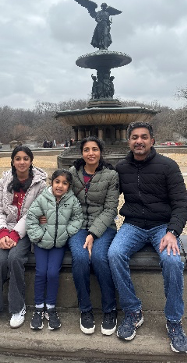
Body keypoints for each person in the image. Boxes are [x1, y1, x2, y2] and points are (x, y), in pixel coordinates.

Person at [108, 122, 187, 353]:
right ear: (129, 141)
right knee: (114, 254)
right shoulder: (121, 168)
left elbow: (182, 203)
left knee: (173, 261)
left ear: (152, 140)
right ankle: (133, 310)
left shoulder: (168, 166)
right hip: (133, 225)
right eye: (134, 137)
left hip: (161, 226)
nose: (139, 141)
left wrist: (173, 232)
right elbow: (105, 197)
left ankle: (174, 321)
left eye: (144, 137)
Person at [0, 145, 47, 329]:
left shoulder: (40, 184)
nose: (22, 162)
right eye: (18, 158)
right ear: (13, 161)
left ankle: (18, 307)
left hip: (26, 230)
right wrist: (1, 233)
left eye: (26, 158)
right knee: (0, 261)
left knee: (16, 258)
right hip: (4, 229)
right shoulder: (5, 180)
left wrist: (16, 233)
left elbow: (35, 212)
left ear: (31, 161)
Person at [68, 136, 119, 336]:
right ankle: (86, 309)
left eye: (95, 149)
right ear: (82, 153)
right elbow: (60, 197)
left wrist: (92, 233)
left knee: (99, 257)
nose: (91, 153)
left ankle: (110, 309)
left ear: (100, 152)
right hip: (78, 226)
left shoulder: (111, 175)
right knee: (80, 258)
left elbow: (110, 209)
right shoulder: (73, 174)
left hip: (104, 227)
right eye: (87, 150)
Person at [26, 169, 83, 330]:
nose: (60, 186)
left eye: (65, 183)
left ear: (69, 186)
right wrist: (38, 236)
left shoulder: (71, 200)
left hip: (59, 244)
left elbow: (78, 218)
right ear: (52, 182)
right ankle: (38, 307)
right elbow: (31, 219)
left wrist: (67, 232)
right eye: (57, 181)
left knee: (52, 273)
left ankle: (50, 307)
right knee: (40, 273)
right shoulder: (42, 198)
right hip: (42, 244)